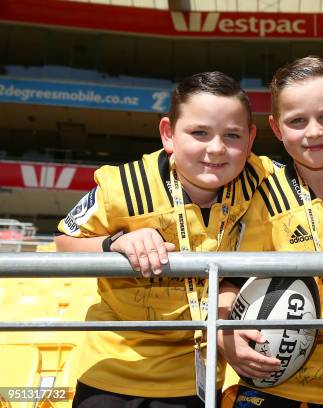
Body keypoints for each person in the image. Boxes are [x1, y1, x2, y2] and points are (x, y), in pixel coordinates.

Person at [54, 72, 276, 407]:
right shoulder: (124, 186)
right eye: (199, 133)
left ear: (250, 140)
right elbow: (63, 243)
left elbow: (235, 278)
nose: (215, 149)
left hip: (196, 379)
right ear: (168, 134)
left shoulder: (261, 184)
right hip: (114, 370)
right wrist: (114, 243)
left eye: (232, 135)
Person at [217, 56, 323, 407]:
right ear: (276, 128)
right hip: (268, 380)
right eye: (297, 121)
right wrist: (226, 331)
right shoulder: (259, 192)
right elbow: (230, 279)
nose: (313, 132)